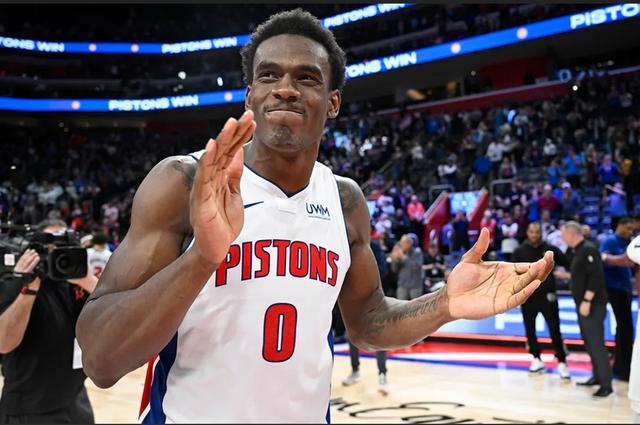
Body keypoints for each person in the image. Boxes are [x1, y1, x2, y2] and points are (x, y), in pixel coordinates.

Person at [75, 9, 555, 423]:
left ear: (333, 102)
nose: (285, 89)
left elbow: (368, 323)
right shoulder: (183, 182)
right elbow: (100, 359)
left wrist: (445, 304)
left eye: (305, 77)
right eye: (269, 76)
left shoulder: (345, 201)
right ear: (249, 95)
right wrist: (202, 257)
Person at [0, 219, 98, 423]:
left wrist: (88, 280)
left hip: (76, 399)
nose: (58, 256)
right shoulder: (16, 281)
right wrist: (29, 288)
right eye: (51, 248)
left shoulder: (77, 282)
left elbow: (118, 313)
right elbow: (4, 343)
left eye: (64, 248)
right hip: (30, 408)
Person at [558, 221, 613, 397]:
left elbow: (596, 278)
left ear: (571, 233)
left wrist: (587, 300)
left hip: (593, 305)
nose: (562, 238)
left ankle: (606, 385)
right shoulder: (577, 251)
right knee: (589, 342)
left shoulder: (589, 249)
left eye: (563, 234)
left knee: (596, 344)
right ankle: (597, 377)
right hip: (583, 304)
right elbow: (580, 275)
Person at [512, 223, 570, 379]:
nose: (534, 235)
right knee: (529, 330)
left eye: (537, 232)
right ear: (527, 232)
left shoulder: (550, 250)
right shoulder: (519, 251)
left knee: (555, 330)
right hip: (528, 297)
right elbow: (513, 275)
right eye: (532, 232)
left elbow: (569, 262)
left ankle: (562, 361)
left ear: (541, 233)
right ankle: (536, 359)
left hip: (547, 296)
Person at [342, 235, 389, 396]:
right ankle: (355, 370)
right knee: (352, 337)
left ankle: (382, 375)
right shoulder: (347, 246)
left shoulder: (373, 246)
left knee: (379, 337)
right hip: (353, 299)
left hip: (374, 297)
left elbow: (383, 270)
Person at [600, 217, 635, 381]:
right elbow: (603, 259)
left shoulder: (628, 242)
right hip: (614, 288)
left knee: (625, 329)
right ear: (619, 226)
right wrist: (624, 260)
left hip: (625, 288)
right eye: (627, 228)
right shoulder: (611, 241)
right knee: (625, 328)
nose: (630, 232)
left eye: (632, 229)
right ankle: (623, 369)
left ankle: (621, 366)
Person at [389, 235, 424, 301]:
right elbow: (394, 269)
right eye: (401, 243)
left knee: (415, 306)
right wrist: (395, 259)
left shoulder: (417, 252)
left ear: (409, 243)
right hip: (402, 285)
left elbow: (417, 266)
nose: (401, 245)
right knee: (401, 305)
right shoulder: (400, 253)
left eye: (403, 243)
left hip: (415, 286)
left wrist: (404, 258)